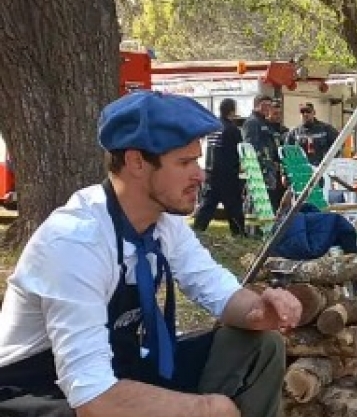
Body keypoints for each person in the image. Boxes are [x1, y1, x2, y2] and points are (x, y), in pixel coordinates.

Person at [0, 90, 302, 417]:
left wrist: (262, 311)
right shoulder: (75, 242)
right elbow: (93, 398)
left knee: (260, 346)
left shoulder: (163, 224)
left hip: (116, 370)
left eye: (197, 161)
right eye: (185, 162)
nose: (200, 174)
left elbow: (219, 291)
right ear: (137, 162)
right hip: (40, 391)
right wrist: (204, 409)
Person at [193, 98, 246, 236]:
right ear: (232, 111)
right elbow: (238, 150)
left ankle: (198, 228)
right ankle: (239, 231)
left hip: (211, 171)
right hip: (227, 173)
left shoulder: (213, 128)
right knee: (233, 204)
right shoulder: (232, 129)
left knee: (208, 203)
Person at [242, 94, 282, 211]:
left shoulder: (265, 123)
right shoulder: (252, 123)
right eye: (264, 105)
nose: (267, 108)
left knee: (267, 199)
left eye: (270, 106)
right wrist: (261, 163)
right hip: (258, 169)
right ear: (256, 105)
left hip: (269, 169)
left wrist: (274, 161)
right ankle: (252, 227)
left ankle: (265, 226)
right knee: (256, 198)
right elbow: (251, 147)